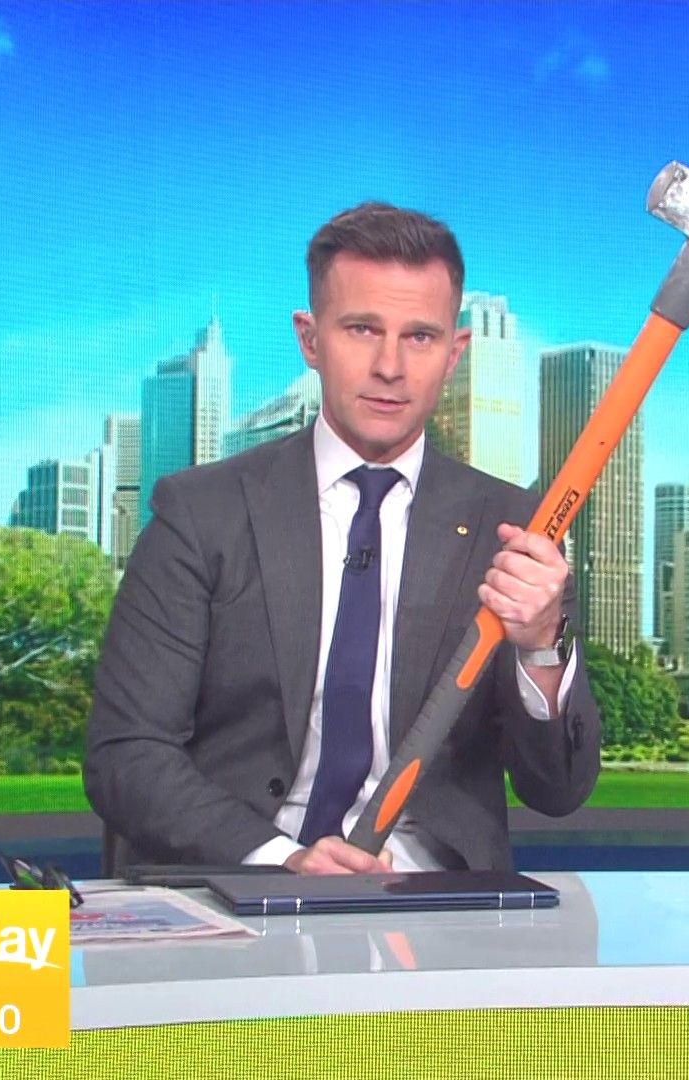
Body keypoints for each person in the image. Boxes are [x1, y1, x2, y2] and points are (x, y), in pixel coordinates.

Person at [86, 202, 599, 875]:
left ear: (454, 354)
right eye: (362, 329)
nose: (390, 366)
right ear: (310, 339)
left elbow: (559, 791)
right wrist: (282, 860)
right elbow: (127, 754)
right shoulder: (201, 514)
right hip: (243, 881)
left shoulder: (516, 531)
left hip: (432, 902)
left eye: (420, 337)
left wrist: (540, 646)